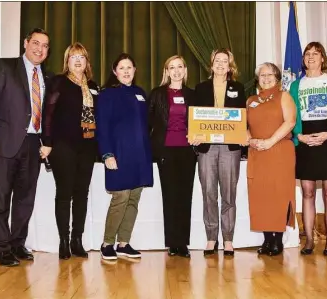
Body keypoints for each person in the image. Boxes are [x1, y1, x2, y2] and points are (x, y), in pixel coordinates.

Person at [0, 28, 50, 267]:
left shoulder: (46, 77)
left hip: (32, 144)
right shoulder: (4, 67)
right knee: (0, 198)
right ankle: (2, 248)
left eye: (45, 46)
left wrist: (46, 141)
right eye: (36, 43)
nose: (40, 49)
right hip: (2, 144)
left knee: (25, 198)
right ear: (26, 43)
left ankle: (18, 243)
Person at [40, 42, 99, 260]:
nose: (77, 61)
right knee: (64, 195)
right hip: (63, 146)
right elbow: (48, 113)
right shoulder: (59, 82)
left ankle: (77, 240)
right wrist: (47, 142)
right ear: (67, 61)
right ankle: (63, 241)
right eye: (73, 57)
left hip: (87, 147)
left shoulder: (93, 86)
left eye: (81, 57)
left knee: (81, 195)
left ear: (86, 62)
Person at [290, 42, 327, 256]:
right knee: (307, 192)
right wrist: (300, 136)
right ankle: (309, 241)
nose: (311, 57)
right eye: (307, 54)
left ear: (323, 58)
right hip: (305, 138)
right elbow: (293, 114)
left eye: (316, 53)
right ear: (303, 59)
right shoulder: (296, 85)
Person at [96, 53, 153, 260]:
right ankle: (107, 243)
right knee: (121, 197)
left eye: (130, 67)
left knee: (134, 198)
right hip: (118, 154)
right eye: (122, 68)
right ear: (114, 72)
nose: (126, 71)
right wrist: (107, 154)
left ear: (135, 70)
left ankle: (123, 243)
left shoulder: (140, 93)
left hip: (140, 155)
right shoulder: (107, 95)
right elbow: (101, 127)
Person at [191, 48, 246, 256]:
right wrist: (194, 135)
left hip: (230, 147)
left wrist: (243, 133)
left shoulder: (238, 88)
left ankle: (229, 238)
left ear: (230, 65)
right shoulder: (201, 87)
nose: (221, 64)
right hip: (206, 147)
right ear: (211, 64)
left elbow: (242, 117)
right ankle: (211, 237)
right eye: (217, 60)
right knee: (209, 193)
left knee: (229, 194)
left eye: (225, 61)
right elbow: (195, 118)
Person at [148, 55, 197, 258]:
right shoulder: (157, 94)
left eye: (179, 67)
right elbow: (148, 124)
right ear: (166, 71)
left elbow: (201, 122)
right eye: (171, 67)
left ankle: (183, 243)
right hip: (165, 150)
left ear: (185, 71)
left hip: (187, 151)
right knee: (170, 196)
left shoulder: (193, 95)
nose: (176, 71)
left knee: (185, 197)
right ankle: (171, 243)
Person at [247, 62, 297, 256]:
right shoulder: (250, 100)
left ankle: (278, 240)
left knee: (278, 194)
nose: (266, 78)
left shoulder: (283, 96)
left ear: (277, 78)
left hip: (279, 151)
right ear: (257, 79)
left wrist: (269, 142)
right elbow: (244, 126)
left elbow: (290, 122)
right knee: (261, 196)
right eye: (262, 75)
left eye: (270, 75)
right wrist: (250, 141)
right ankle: (267, 239)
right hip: (257, 153)